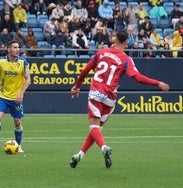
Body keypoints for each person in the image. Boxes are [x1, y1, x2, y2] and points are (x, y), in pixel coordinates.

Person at [69, 30, 169, 169]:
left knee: (94, 127)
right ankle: (79, 155)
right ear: (126, 42)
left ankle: (104, 147)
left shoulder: (101, 53)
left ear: (115, 40)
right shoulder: (126, 59)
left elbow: (85, 70)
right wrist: (157, 83)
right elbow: (137, 77)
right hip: (110, 97)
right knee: (97, 129)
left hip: (96, 92)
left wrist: (77, 86)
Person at [0, 40, 31, 153]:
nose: (17, 50)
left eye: (18, 47)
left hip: (16, 97)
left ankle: (19, 145)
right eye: (15, 47)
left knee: (17, 122)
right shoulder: (1, 62)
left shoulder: (23, 62)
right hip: (3, 96)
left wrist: (21, 93)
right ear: (9, 49)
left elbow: (28, 79)